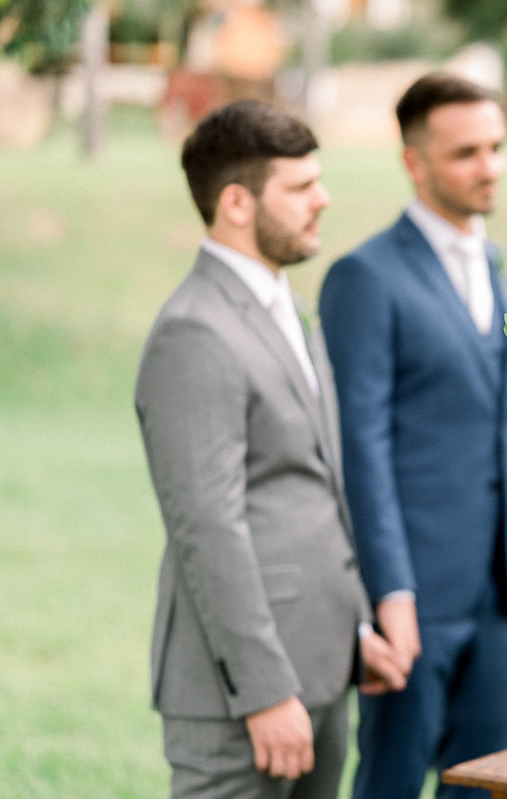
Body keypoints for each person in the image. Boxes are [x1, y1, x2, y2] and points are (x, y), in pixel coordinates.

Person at [318, 73, 507, 799]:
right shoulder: (364, 277)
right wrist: (391, 592)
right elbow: (360, 448)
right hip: (413, 596)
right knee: (392, 781)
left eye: (496, 147)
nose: (489, 166)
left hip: (498, 599)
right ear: (415, 161)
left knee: (482, 785)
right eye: (466, 152)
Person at [134, 99, 409, 799]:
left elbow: (308, 488)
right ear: (236, 202)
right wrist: (263, 692)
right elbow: (208, 526)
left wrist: (352, 629)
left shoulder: (285, 305)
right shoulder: (194, 331)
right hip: (242, 696)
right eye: (300, 186)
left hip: (322, 668)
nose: (324, 200)